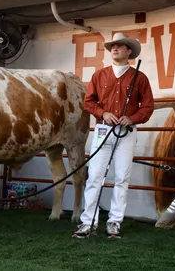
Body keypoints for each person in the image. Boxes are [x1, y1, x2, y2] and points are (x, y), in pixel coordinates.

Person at [72, 32, 155, 239]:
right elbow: (88, 102)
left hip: (126, 133)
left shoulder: (140, 78)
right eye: (112, 46)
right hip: (103, 131)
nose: (114, 49)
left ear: (129, 51)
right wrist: (103, 113)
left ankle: (114, 222)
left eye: (119, 46)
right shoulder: (99, 75)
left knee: (121, 178)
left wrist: (133, 118)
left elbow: (148, 106)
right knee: (95, 177)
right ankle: (87, 222)